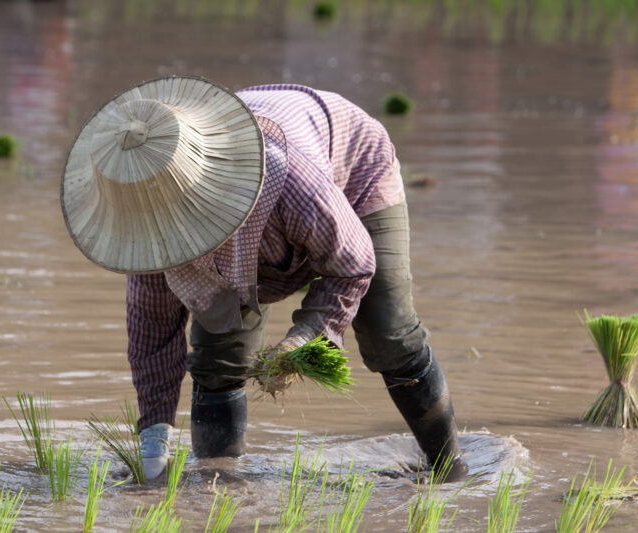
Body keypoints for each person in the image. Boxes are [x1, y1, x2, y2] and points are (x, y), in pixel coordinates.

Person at [60, 76, 463, 481]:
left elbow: (353, 263)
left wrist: (304, 338)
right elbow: (153, 342)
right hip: (268, 219)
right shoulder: (147, 240)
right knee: (219, 359)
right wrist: (152, 455)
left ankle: (450, 471)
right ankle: (221, 488)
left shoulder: (290, 180)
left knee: (388, 331)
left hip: (351, 166)